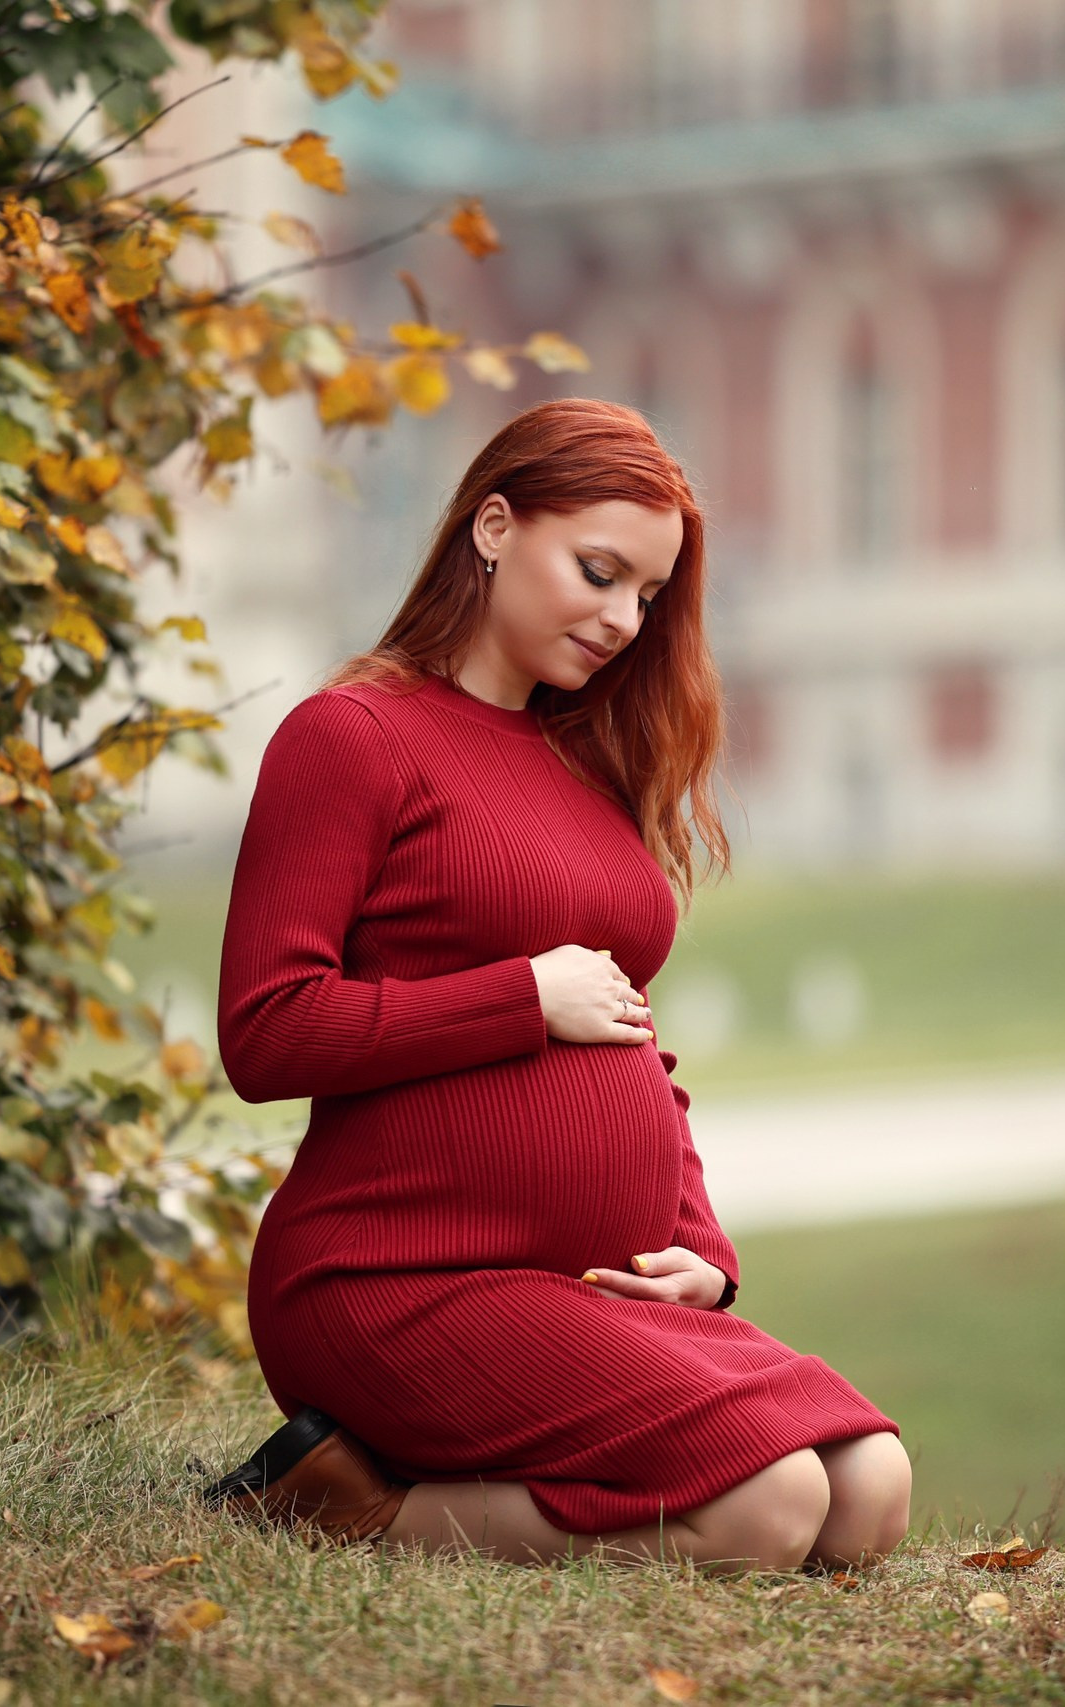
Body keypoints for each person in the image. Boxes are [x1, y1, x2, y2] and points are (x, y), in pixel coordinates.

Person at [199, 398, 910, 1573]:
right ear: (493, 527)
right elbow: (268, 1032)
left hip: (572, 1290)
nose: (624, 620)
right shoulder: (351, 736)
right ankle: (341, 1510)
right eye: (599, 572)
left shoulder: (584, 766)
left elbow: (633, 1045)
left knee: (870, 1488)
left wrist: (700, 1248)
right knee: (768, 1510)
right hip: (390, 1281)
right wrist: (517, 1000)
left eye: (648, 595)